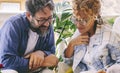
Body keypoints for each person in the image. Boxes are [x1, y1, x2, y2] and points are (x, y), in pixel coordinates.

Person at [0, 0, 58, 73]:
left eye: (50, 18)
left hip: (33, 69)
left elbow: (51, 53)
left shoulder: (47, 25)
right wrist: (42, 63)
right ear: (28, 15)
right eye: (41, 20)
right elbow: (6, 61)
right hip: (10, 69)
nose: (47, 24)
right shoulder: (13, 25)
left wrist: (41, 53)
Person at [64, 0, 120, 73]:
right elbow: (68, 63)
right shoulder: (77, 34)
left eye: (84, 20)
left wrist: (107, 72)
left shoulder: (109, 35)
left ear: (94, 16)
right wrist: (71, 44)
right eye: (76, 19)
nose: (78, 25)